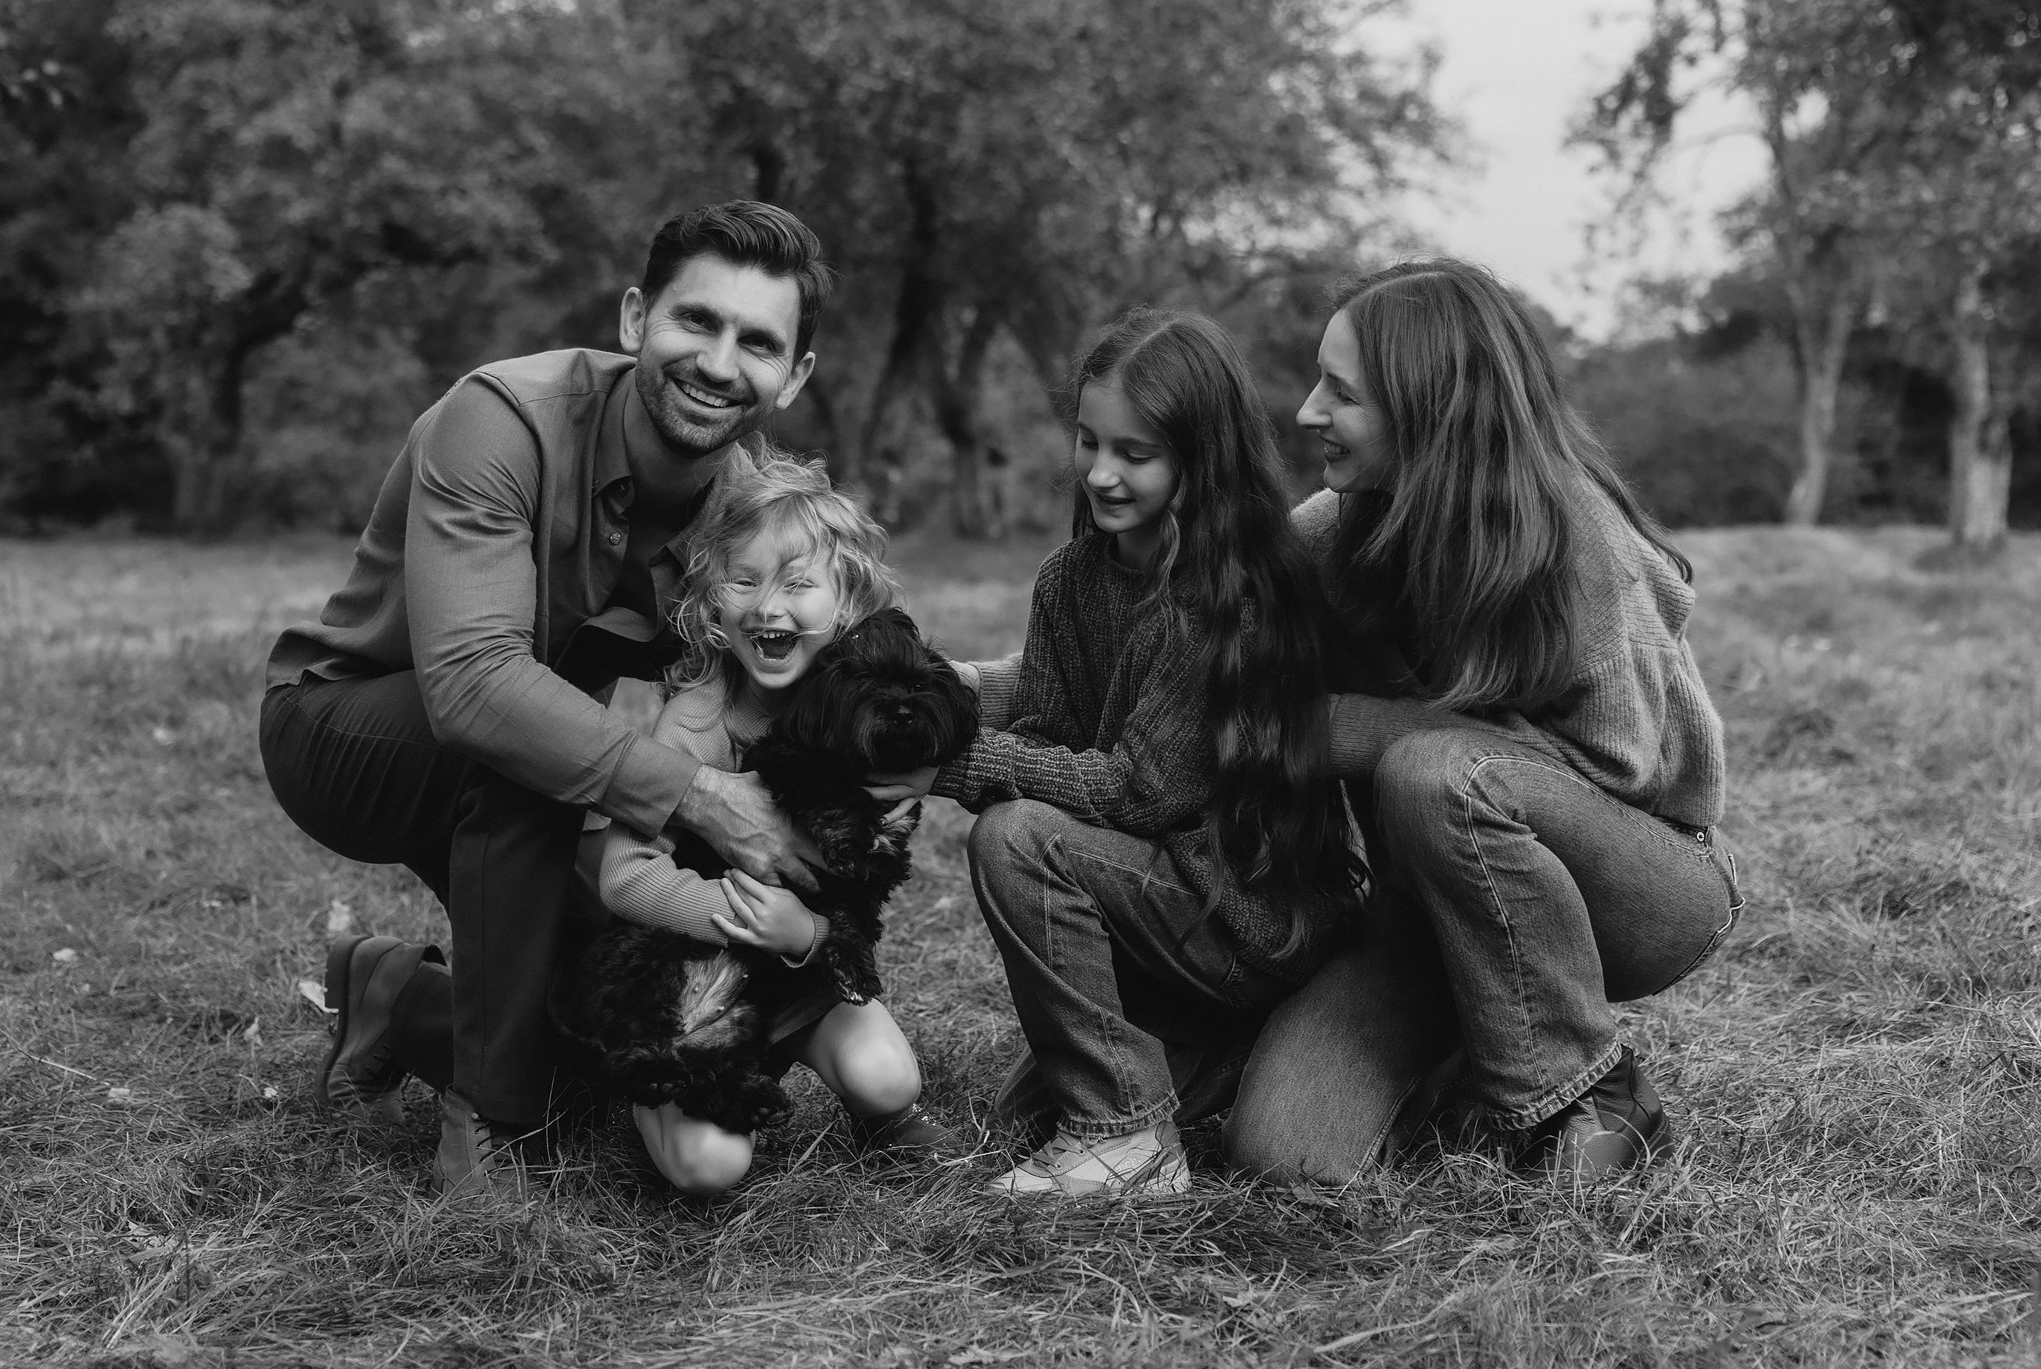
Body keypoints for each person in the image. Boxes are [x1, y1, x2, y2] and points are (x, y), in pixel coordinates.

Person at [259, 201, 830, 1200]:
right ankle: (486, 1128)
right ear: (634, 317)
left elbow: (801, 667)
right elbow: (476, 686)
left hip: (537, 773)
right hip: (345, 729)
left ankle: (394, 992)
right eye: (696, 321)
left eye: (757, 342)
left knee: (598, 1021)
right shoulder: (502, 417)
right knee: (526, 733)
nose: (717, 360)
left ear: (793, 376)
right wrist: (696, 798)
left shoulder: (743, 510)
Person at [1223, 257, 1744, 1187]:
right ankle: (1478, 1045)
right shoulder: (1341, 531)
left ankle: (1591, 1093)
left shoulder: (1579, 552)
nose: (1306, 411)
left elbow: (1641, 777)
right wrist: (936, 691)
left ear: (1430, 413)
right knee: (1283, 1155)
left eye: (1342, 393)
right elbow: (1174, 645)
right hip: (1430, 907)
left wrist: (1357, 728)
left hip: (1645, 888)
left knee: (1435, 774)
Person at [922, 310, 1364, 1197]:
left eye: (1135, 453)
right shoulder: (1069, 579)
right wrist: (970, 744)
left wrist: (956, 765)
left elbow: (1139, 789)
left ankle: (1127, 1135)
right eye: (1088, 442)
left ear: (1200, 460)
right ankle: (1210, 1061)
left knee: (1015, 837)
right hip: (1157, 902)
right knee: (1021, 1118)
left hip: (1243, 913)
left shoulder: (1225, 596)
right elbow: (1044, 730)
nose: (1100, 472)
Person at [591, 445, 958, 1193]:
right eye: (745, 580)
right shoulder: (696, 725)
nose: (769, 606)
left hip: (798, 976)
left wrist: (812, 936)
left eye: (799, 584)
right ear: (711, 602)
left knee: (891, 1083)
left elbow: (862, 879)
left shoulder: (861, 714)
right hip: (692, 979)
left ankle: (821, 1071)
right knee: (711, 1167)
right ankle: (649, 1099)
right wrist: (748, 916)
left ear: (849, 603)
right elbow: (624, 877)